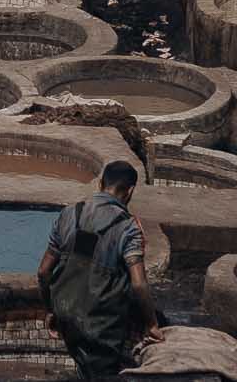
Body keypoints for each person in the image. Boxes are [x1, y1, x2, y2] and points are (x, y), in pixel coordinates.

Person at [38, 159, 161, 378]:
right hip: (100, 323)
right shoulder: (128, 226)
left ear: (100, 184)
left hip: (65, 313)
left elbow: (43, 272)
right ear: (130, 191)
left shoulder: (69, 213)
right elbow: (139, 284)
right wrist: (151, 324)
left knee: (84, 368)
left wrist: (50, 310)